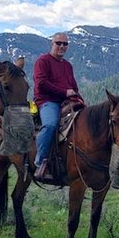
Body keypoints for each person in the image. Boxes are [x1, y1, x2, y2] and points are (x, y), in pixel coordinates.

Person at [32, 32, 82, 182]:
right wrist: (64, 92)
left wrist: (78, 98)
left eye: (65, 44)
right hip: (48, 101)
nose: (62, 46)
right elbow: (41, 83)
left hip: (67, 102)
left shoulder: (67, 66)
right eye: (58, 43)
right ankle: (40, 162)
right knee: (51, 125)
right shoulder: (43, 61)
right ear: (52, 44)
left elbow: (74, 87)